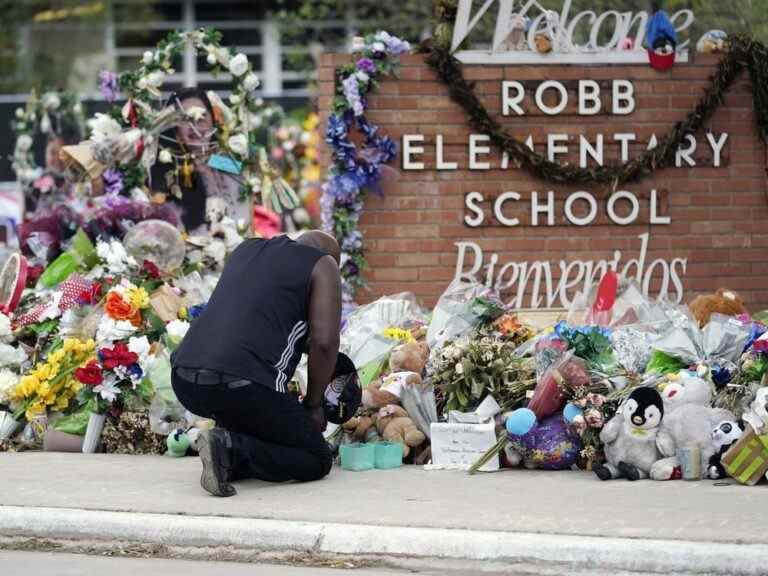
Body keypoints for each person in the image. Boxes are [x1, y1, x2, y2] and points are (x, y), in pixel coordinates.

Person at [171, 230, 342, 496]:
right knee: (316, 458)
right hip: (242, 384)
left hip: (185, 378)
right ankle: (230, 448)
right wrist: (314, 405)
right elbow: (324, 342)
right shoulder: (323, 263)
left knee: (256, 414)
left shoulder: (247, 248)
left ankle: (224, 449)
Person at [151, 88, 247, 234]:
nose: (195, 126)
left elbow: (244, 213)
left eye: (203, 116)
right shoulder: (165, 169)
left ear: (213, 120)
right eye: (186, 119)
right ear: (175, 128)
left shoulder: (226, 162)